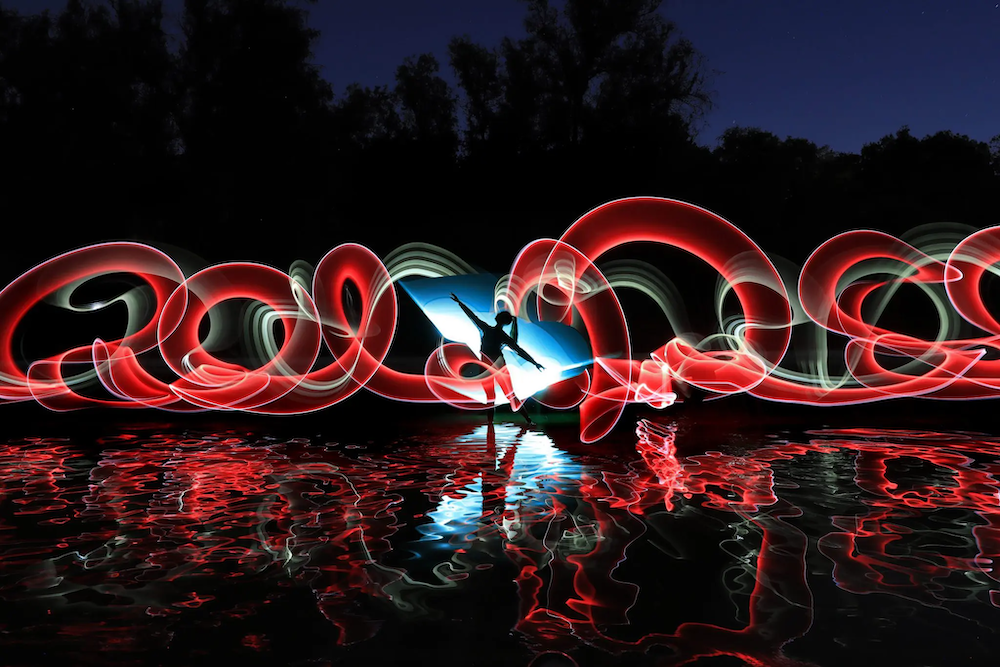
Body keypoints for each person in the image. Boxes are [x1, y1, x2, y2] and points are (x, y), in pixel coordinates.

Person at [450, 293, 543, 424]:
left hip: (490, 366)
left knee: (495, 396)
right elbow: (519, 350)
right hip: (491, 366)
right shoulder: (498, 334)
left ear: (499, 319)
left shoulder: (489, 330)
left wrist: (460, 303)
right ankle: (526, 420)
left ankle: (495, 423)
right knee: (508, 395)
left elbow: (472, 317)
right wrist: (535, 363)